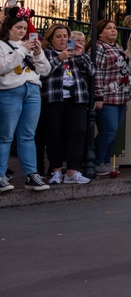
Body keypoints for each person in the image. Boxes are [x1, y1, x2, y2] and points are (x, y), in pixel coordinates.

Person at [0, 8, 52, 192]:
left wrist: (38, 54)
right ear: (9, 28)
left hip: (32, 91)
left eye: (24, 27)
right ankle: (0, 176)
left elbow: (45, 71)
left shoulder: (29, 47)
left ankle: (31, 175)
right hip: (10, 91)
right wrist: (22, 50)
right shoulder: (2, 46)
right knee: (5, 136)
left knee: (28, 135)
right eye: (18, 27)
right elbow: (3, 67)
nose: (22, 31)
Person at [38, 24, 94, 185]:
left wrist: (79, 56)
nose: (63, 39)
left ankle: (72, 172)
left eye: (65, 36)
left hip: (76, 98)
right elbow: (43, 72)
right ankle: (55, 170)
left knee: (78, 132)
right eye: (59, 36)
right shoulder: (46, 53)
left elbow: (91, 71)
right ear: (51, 39)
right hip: (54, 99)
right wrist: (59, 58)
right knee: (54, 134)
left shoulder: (75, 53)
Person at [91, 20, 131, 176]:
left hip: (121, 96)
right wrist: (98, 95)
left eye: (114, 27)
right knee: (108, 131)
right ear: (100, 32)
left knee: (114, 132)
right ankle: (96, 161)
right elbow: (97, 73)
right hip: (107, 97)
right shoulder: (99, 48)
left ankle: (106, 162)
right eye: (108, 28)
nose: (113, 30)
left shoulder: (118, 47)